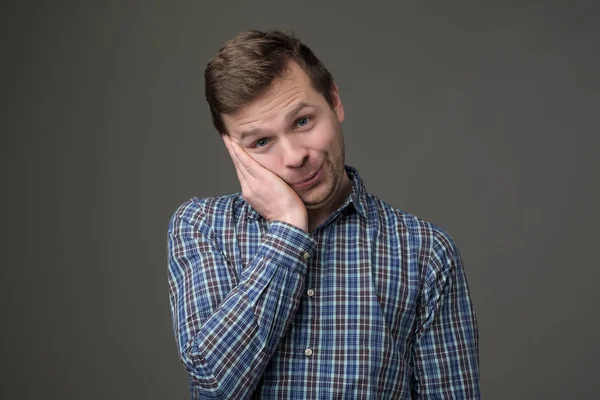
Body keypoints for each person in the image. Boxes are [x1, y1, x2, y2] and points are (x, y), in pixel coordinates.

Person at [167, 29, 480, 399]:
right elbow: (213, 386)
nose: (295, 156)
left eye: (302, 122)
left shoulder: (426, 252)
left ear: (334, 101)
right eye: (261, 142)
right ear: (234, 150)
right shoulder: (202, 226)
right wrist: (286, 229)